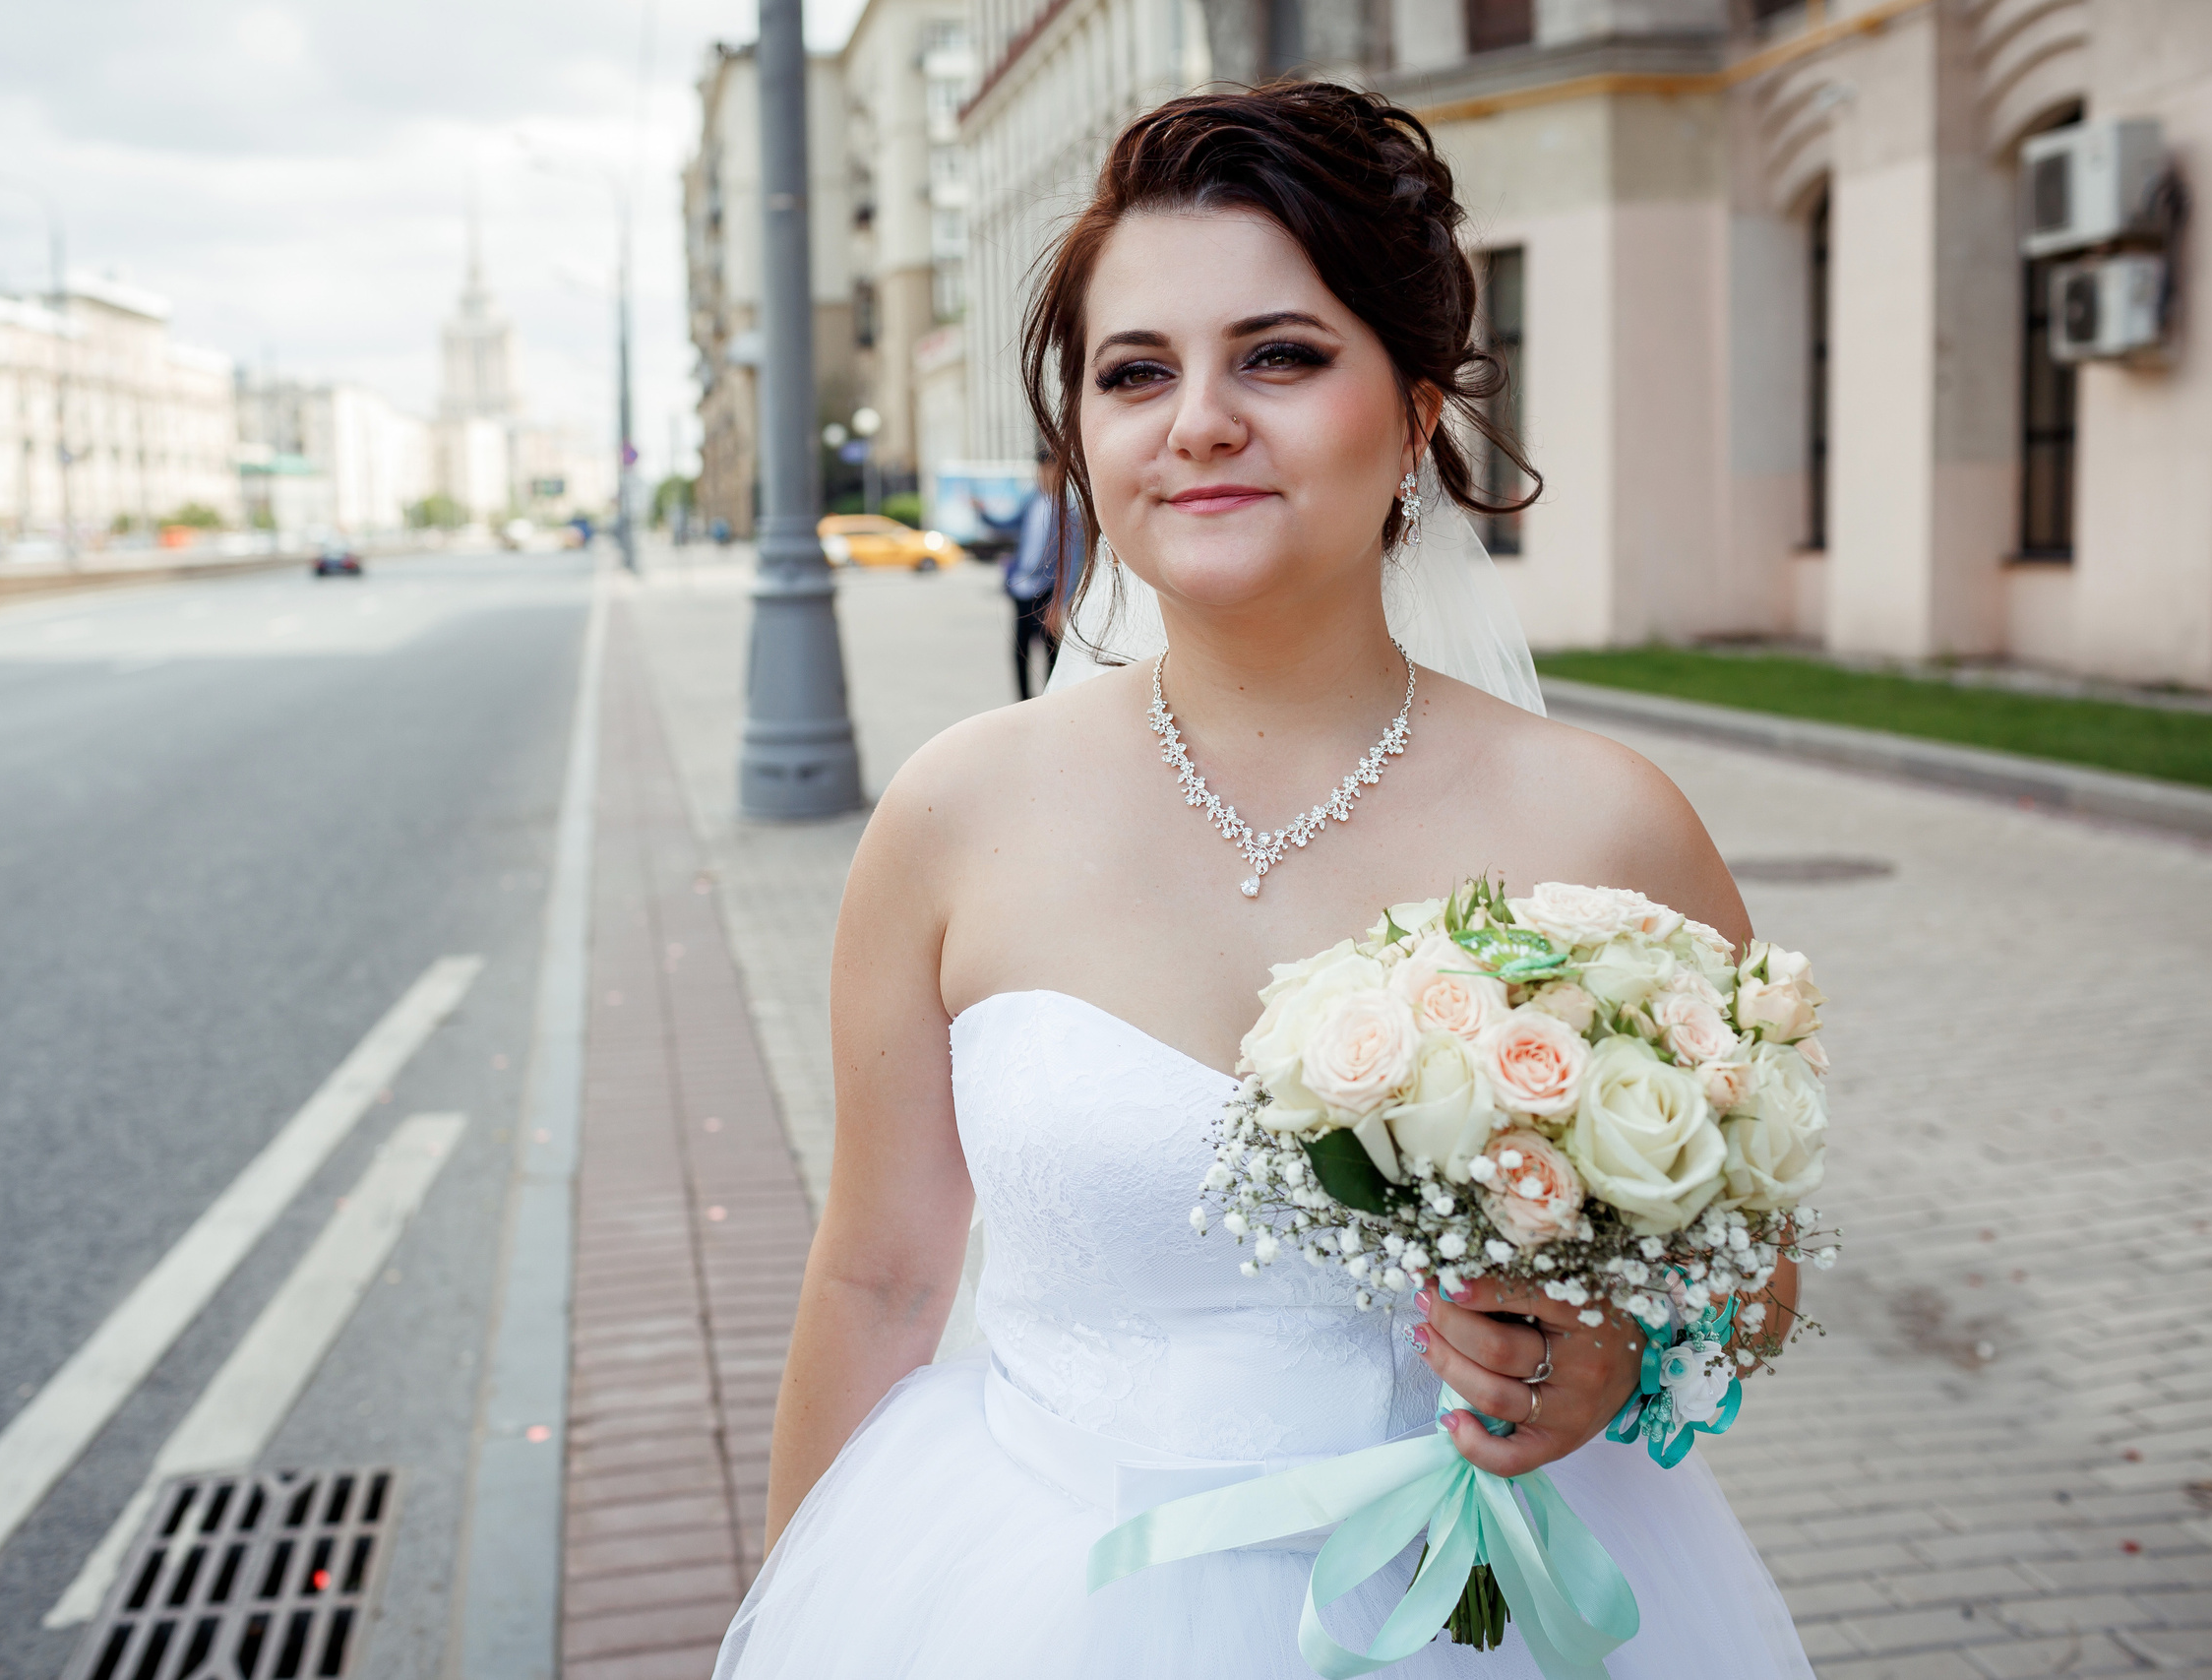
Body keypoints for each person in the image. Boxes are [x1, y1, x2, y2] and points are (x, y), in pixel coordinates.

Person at [717, 83, 1811, 1678]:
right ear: (1083, 435)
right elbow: (881, 1274)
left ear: (1418, 404)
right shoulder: (955, 812)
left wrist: (1619, 1356)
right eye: (1134, 372)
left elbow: (1756, 1273)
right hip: (1034, 1593)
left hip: (1488, 1609)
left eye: (1280, 355)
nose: (1200, 420)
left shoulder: (1608, 826)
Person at [1003, 449, 1073, 700]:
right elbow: (1008, 524)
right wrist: (981, 512)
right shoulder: (1033, 499)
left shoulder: (1068, 506)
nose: (1043, 474)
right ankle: (1022, 702)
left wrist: (1062, 602)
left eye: (1049, 468)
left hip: (1048, 590)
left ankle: (1050, 700)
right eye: (1040, 469)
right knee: (1020, 650)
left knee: (1051, 651)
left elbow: (1073, 558)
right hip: (1021, 587)